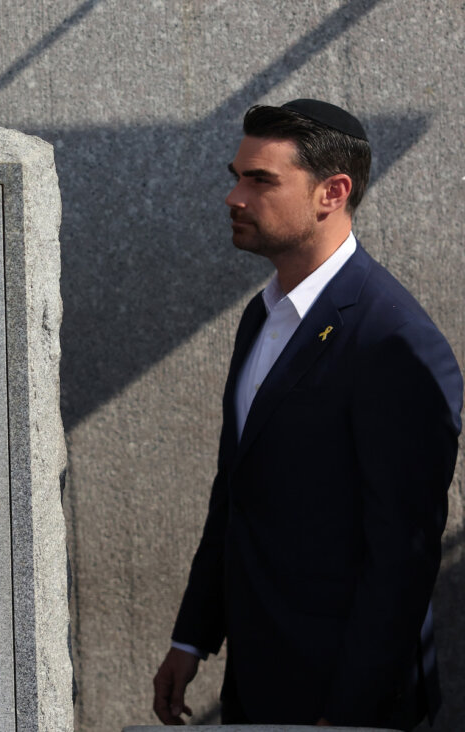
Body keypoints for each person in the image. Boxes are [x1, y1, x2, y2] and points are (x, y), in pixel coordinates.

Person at [151, 99, 462, 728]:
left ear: (333, 192)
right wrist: (191, 638)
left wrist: (347, 714)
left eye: (260, 180)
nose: (234, 196)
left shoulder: (393, 340)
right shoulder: (261, 316)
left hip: (345, 702)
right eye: (235, 175)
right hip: (257, 683)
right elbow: (235, 490)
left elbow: (402, 556)